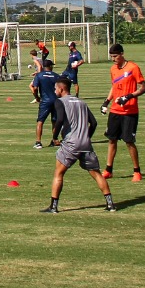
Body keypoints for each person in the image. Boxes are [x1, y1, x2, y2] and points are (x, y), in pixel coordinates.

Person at [43, 76, 116, 213]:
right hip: (85, 144)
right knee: (96, 174)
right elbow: (93, 123)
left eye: (55, 88)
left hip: (71, 143)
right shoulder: (82, 102)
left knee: (58, 173)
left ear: (61, 88)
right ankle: (110, 204)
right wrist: (87, 136)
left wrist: (54, 137)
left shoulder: (60, 102)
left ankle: (53, 206)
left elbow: (59, 120)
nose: (54, 91)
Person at [104, 43, 145, 182]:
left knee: (129, 141)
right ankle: (108, 170)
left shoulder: (133, 67)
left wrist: (129, 96)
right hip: (115, 110)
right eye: (111, 56)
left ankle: (137, 171)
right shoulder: (113, 69)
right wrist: (106, 101)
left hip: (130, 111)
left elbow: (143, 88)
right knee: (112, 140)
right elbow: (114, 86)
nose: (113, 59)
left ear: (122, 54)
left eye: (115, 56)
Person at [30, 55, 61, 149]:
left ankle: (38, 142)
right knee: (54, 121)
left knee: (40, 121)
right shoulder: (56, 76)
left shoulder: (39, 76)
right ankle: (55, 140)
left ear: (43, 67)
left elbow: (34, 88)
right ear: (50, 66)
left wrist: (37, 97)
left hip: (45, 101)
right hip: (56, 101)